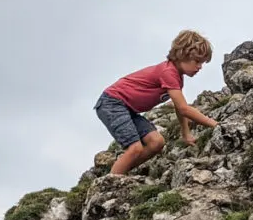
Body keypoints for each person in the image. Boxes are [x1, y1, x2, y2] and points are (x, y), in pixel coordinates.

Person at [94, 29, 219, 176]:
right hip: (112, 103)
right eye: (197, 61)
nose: (200, 67)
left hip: (128, 109)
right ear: (182, 55)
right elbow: (184, 108)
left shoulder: (177, 77)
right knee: (136, 148)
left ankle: (119, 171)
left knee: (156, 143)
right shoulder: (168, 72)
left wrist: (185, 133)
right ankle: (110, 182)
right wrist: (215, 125)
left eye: (202, 63)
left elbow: (179, 108)